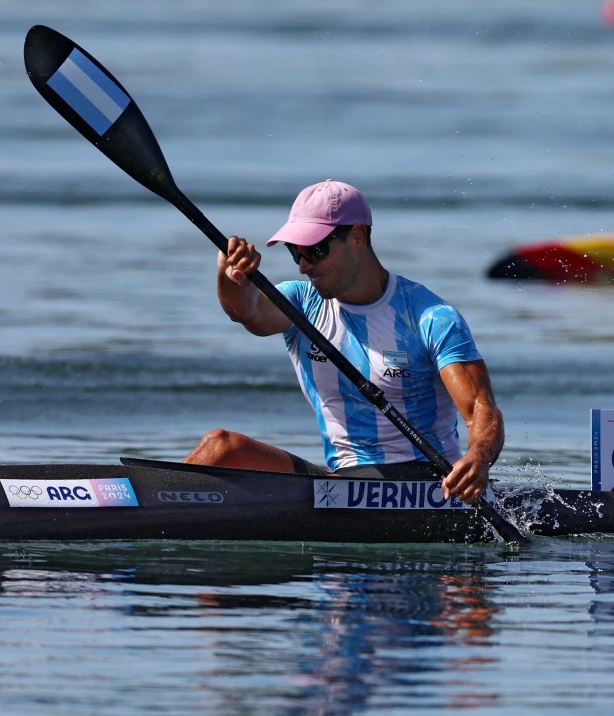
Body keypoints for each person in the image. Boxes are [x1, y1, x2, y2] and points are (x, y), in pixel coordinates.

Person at [183, 179, 504, 504]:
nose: (306, 265)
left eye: (316, 251)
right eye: (297, 253)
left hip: (428, 484)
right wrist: (230, 276)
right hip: (344, 484)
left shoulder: (430, 317)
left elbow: (480, 407)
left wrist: (477, 457)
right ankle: (149, 507)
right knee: (221, 446)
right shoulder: (300, 304)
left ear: (357, 237)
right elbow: (247, 312)